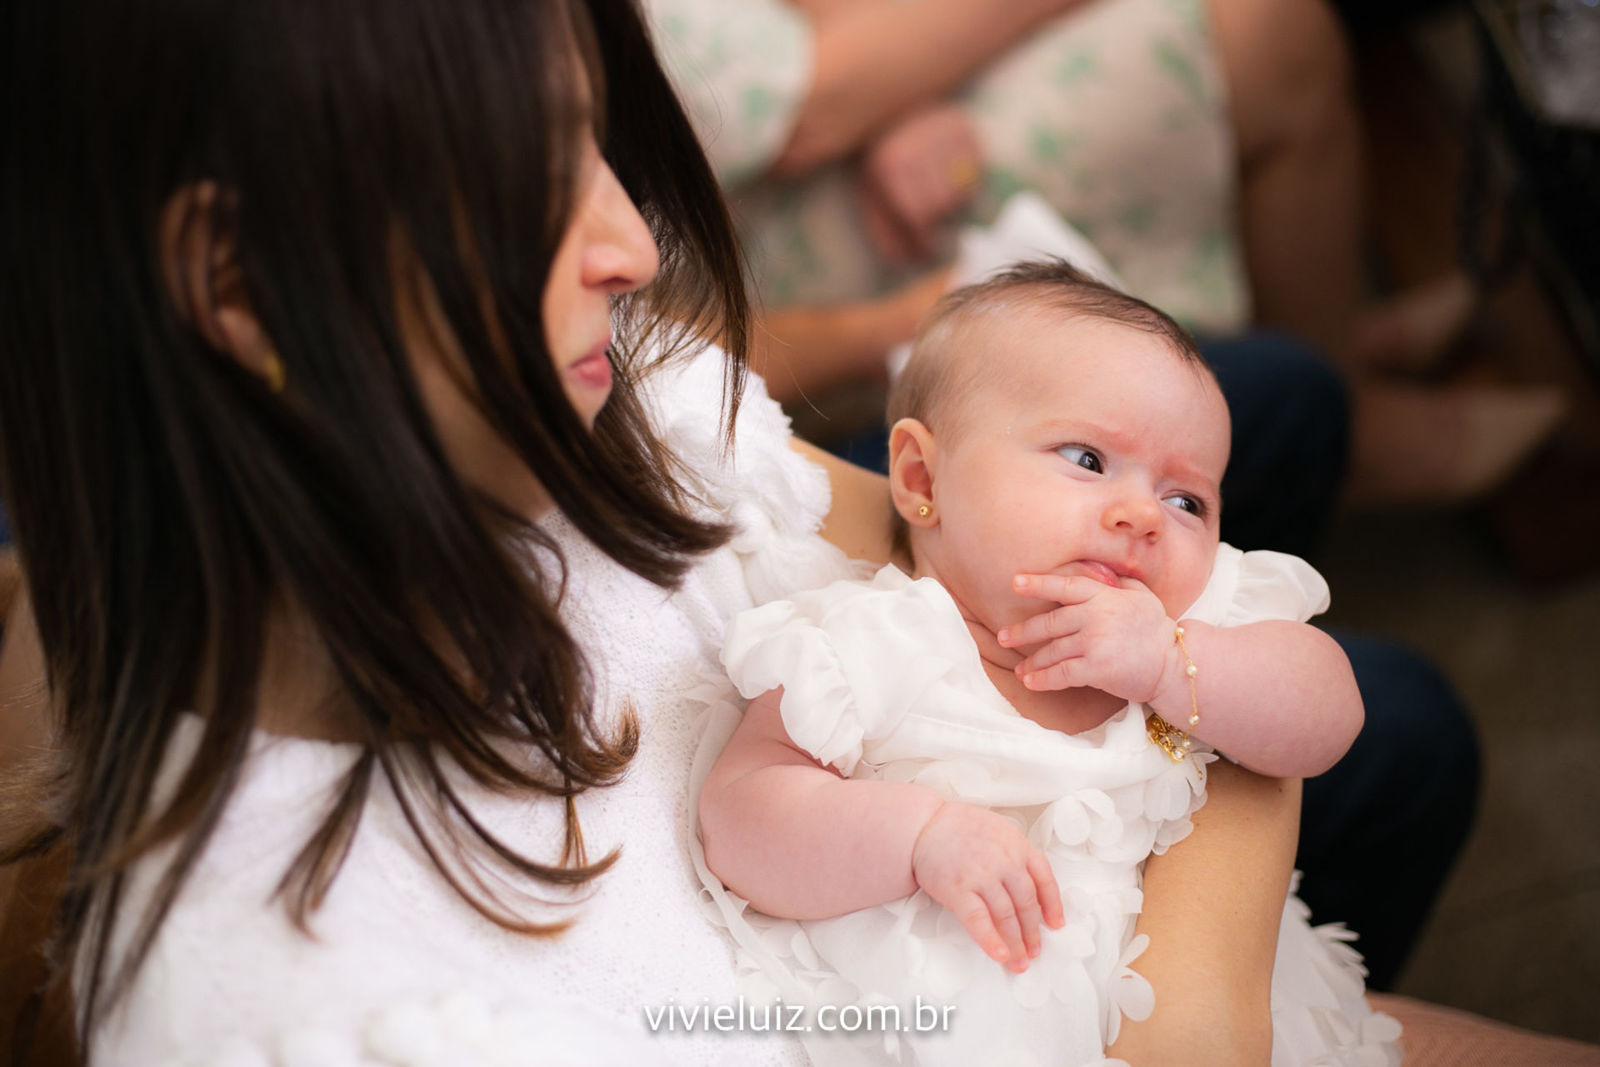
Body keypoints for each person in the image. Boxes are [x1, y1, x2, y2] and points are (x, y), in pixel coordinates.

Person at [0, 1, 1314, 1063]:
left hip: (1144, 922)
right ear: (235, 279)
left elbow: (1146, 607)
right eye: (531, 178)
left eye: (598, 148)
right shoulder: (327, 1011)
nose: (630, 242)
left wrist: (1195, 969)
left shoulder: (604, 404)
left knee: (1294, 427)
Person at [697, 263, 1399, 1065]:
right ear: (924, 479)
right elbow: (739, 816)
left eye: (1187, 502)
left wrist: (1172, 664)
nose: (1142, 517)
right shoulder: (876, 642)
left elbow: (1330, 715)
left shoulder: (1188, 625)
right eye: (1088, 460)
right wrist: (918, 835)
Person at [644, 0, 1565, 505]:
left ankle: (1328, 363)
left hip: (793, 100)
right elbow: (792, 107)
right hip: (760, 215)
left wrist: (900, 96)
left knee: (1271, 28)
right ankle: (1335, 419)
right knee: (1267, 34)